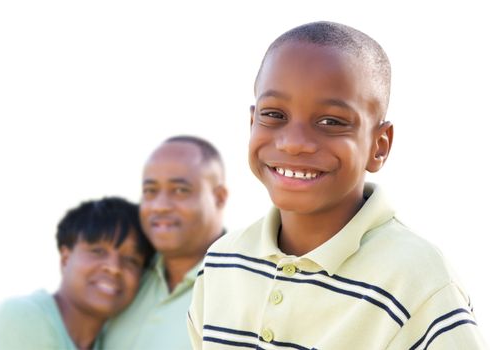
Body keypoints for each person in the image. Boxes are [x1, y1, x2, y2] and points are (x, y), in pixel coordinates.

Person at [188, 21, 488, 349]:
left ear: (379, 145)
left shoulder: (418, 281)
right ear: (251, 122)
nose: (293, 143)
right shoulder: (222, 262)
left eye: (331, 122)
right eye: (274, 115)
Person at [0, 197, 154, 350]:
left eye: (132, 260)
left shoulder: (104, 342)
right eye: (98, 251)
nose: (114, 267)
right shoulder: (23, 317)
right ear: (65, 259)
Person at [102, 135, 228, 349]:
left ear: (219, 198)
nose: (160, 206)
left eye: (180, 190)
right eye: (150, 191)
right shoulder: (121, 278)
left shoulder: (246, 284)